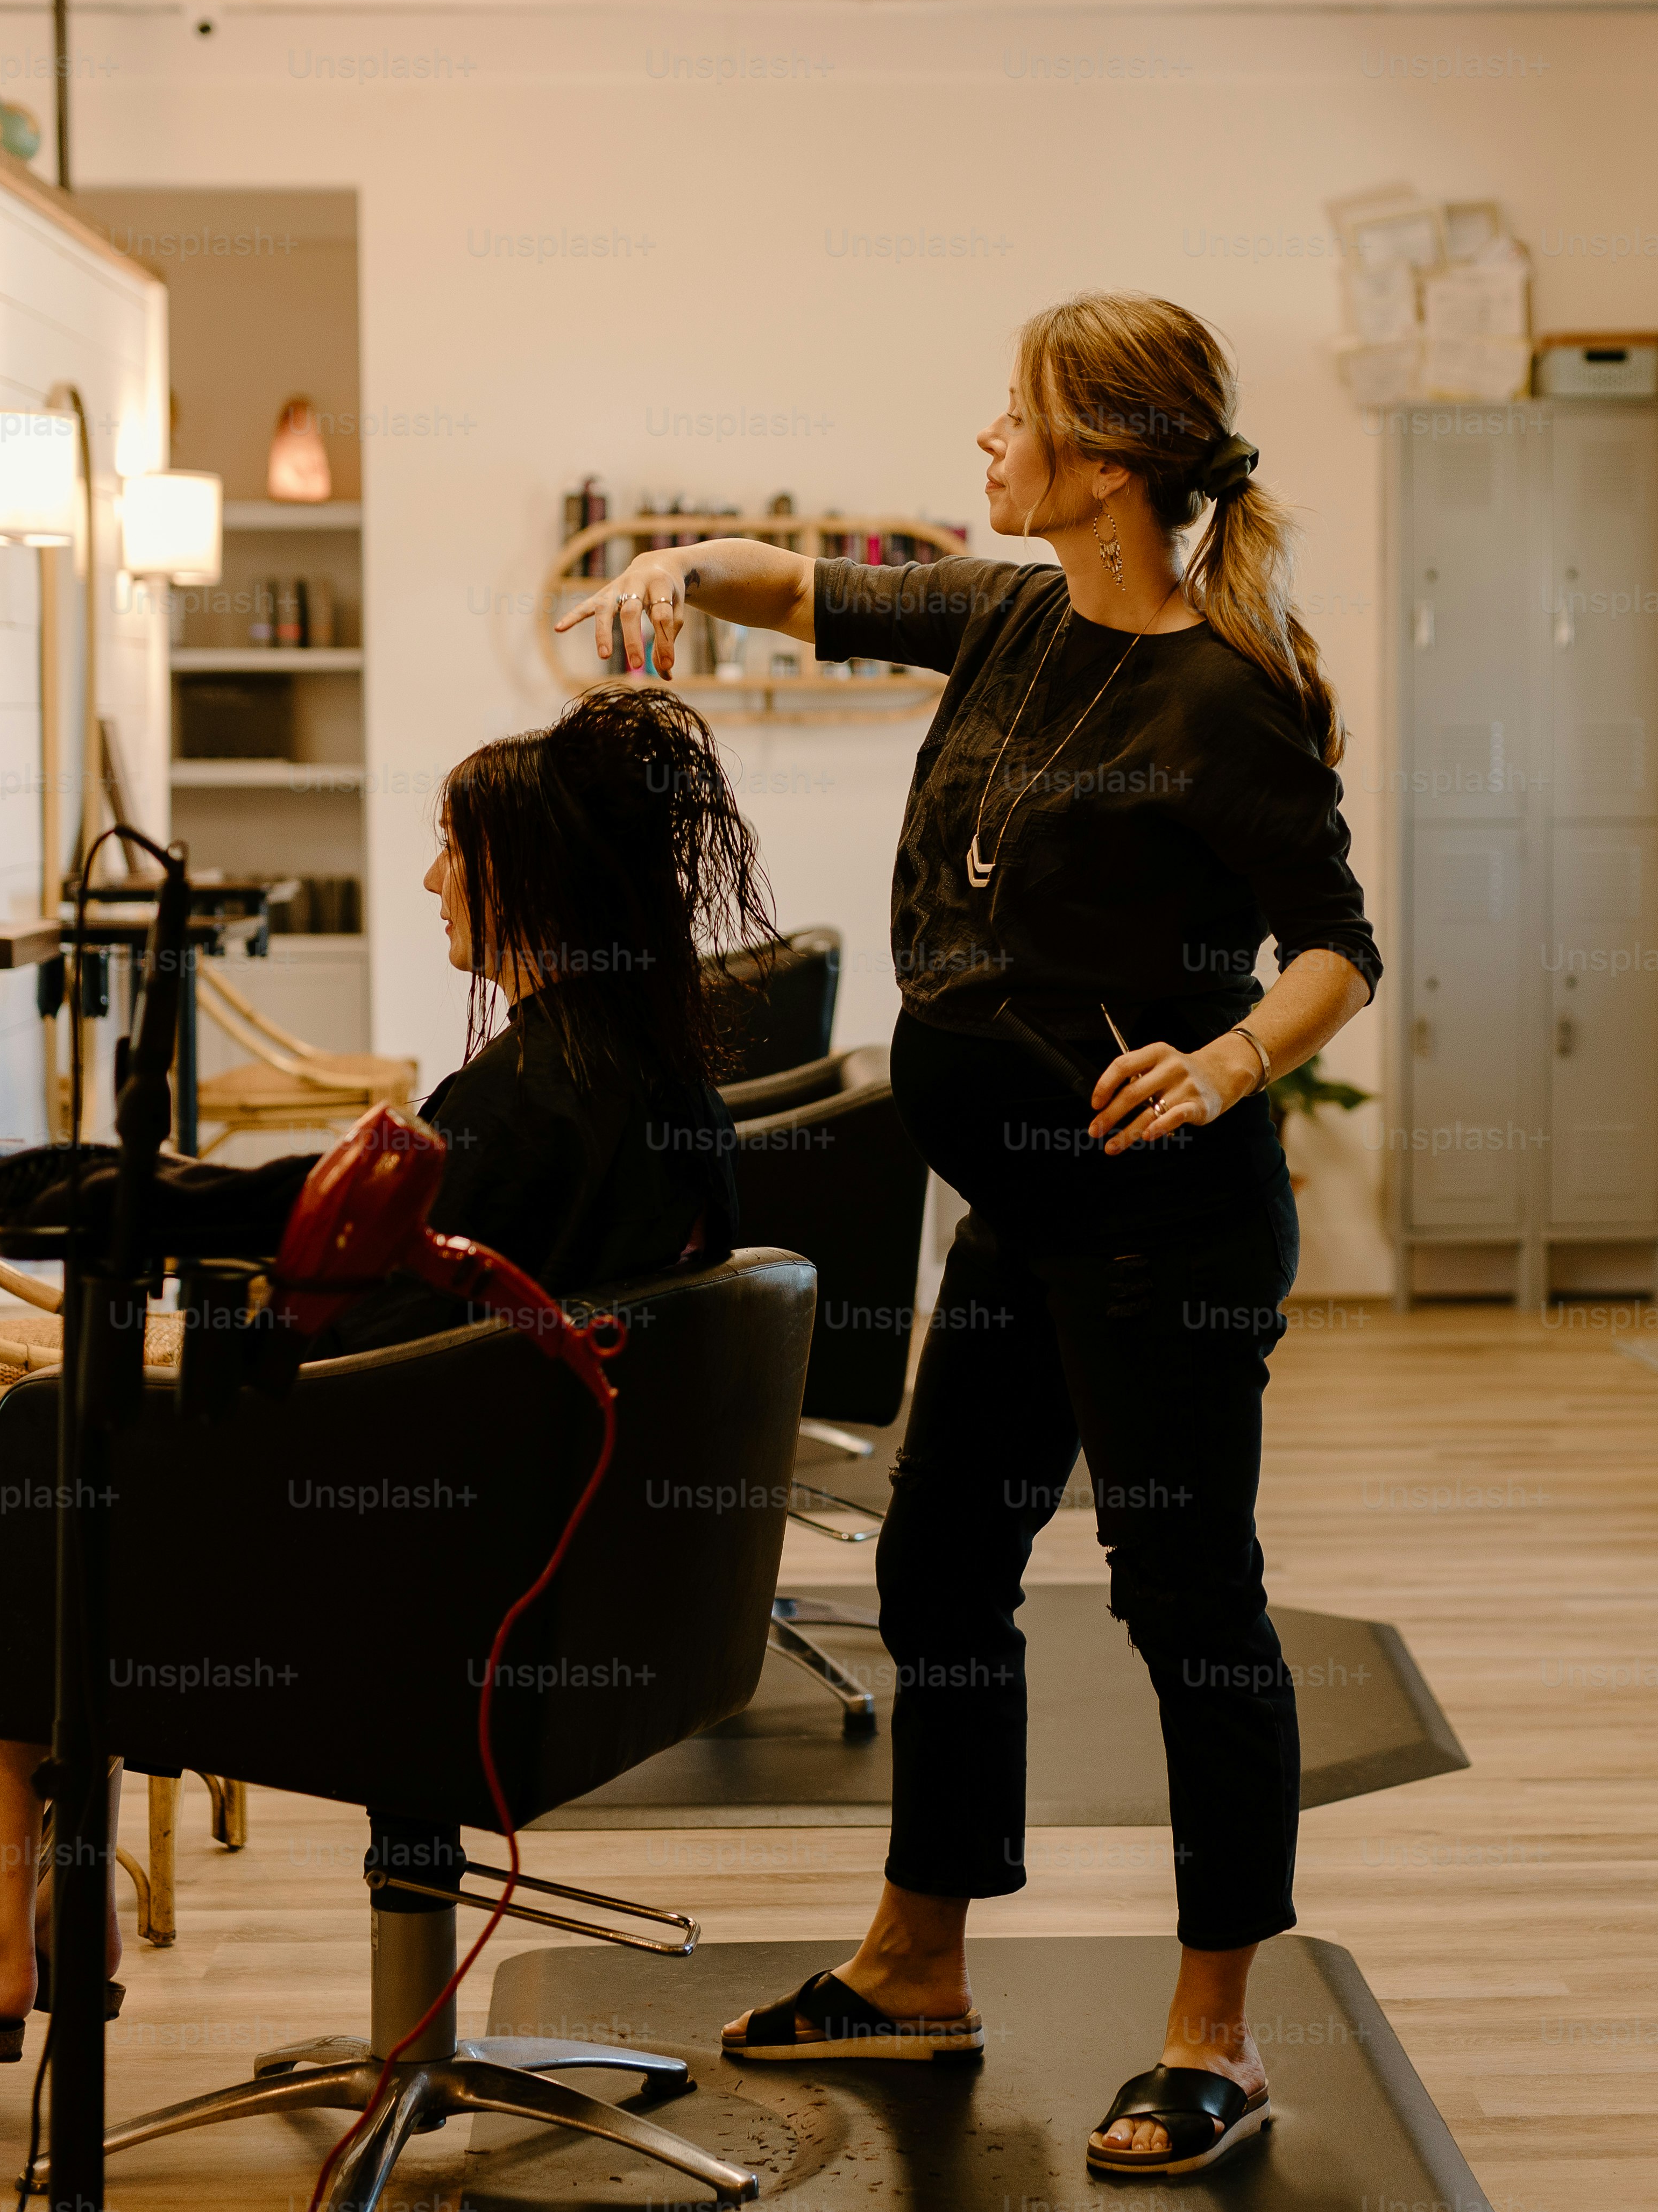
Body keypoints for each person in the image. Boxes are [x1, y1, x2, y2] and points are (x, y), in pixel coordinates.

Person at [556, 290, 1378, 2178]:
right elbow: (808, 588)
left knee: (1194, 1621)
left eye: (1010, 421)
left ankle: (1213, 2036)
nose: (983, 448)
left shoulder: (1226, 697)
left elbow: (1338, 941)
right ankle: (916, 1964)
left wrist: (1235, 1057)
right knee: (939, 1583)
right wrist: (682, 564)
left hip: (1164, 1238)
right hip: (1020, 1217)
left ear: (1101, 466)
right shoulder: (1009, 618)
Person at [0, 685, 770, 2061]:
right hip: (585, 1589)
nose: (430, 878)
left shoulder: (524, 1104)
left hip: (423, 1603)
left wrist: (165, 1340)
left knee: (9, 1489)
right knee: (60, 1481)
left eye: (449, 847)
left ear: (527, 876)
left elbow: (323, 1305)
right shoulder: (657, 1085)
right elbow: (392, 1322)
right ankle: (70, 1926)